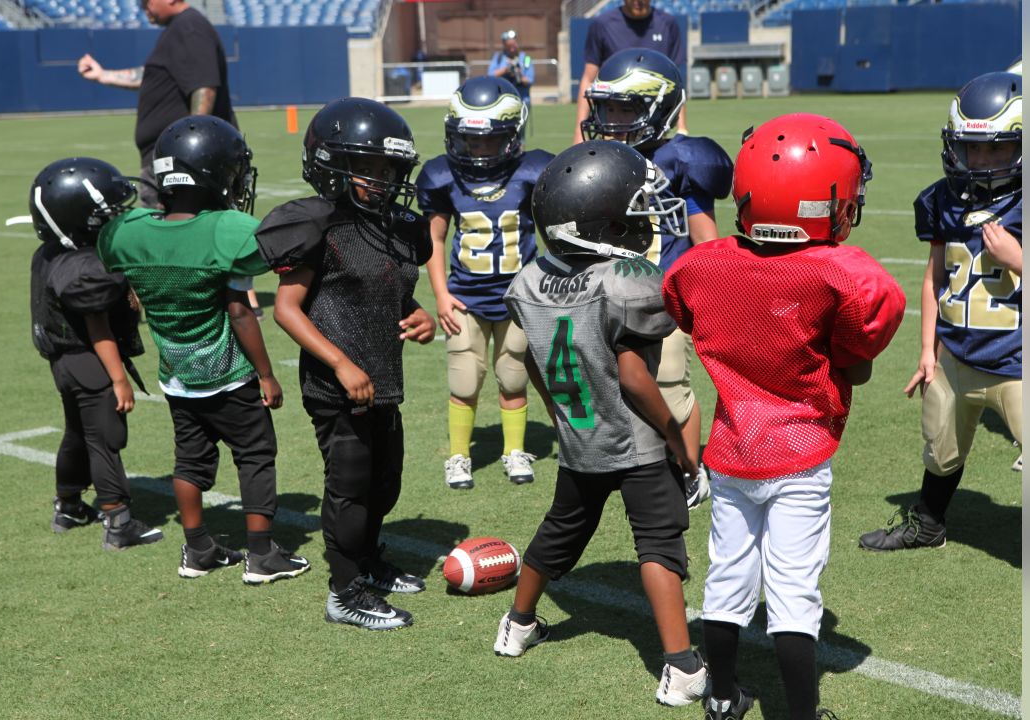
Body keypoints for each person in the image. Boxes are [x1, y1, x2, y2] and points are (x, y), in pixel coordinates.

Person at [663, 113, 903, 720]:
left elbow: (691, 306)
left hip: (732, 445)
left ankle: (721, 697)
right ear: (829, 199)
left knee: (726, 578)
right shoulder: (840, 274)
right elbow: (864, 343)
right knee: (794, 591)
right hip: (798, 450)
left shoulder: (702, 265)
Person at [494, 141, 708, 708]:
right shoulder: (624, 281)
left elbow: (536, 369)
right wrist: (674, 439)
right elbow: (636, 377)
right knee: (660, 546)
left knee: (559, 533)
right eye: (631, 210)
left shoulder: (530, 280)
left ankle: (517, 625)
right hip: (634, 438)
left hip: (579, 438)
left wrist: (563, 415)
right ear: (599, 220)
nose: (642, 219)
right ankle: (682, 666)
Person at [98, 115, 310, 585]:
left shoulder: (131, 231)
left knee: (189, 461)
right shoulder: (225, 231)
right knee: (255, 454)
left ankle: (198, 549)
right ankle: (261, 554)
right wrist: (267, 374)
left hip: (176, 374)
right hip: (227, 372)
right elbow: (238, 311)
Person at [257, 98, 437, 631]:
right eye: (367, 169)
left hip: (382, 377)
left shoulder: (394, 227)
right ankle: (345, 590)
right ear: (332, 163)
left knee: (385, 482)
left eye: (387, 170)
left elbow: (384, 291)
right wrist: (340, 364)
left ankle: (369, 562)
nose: (380, 181)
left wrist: (419, 313)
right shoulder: (319, 226)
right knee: (350, 485)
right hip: (337, 383)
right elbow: (287, 310)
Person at [858, 71, 1023, 553]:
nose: (983, 160)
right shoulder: (943, 201)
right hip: (955, 355)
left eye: (997, 148)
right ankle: (928, 524)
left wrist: (1020, 260)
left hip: (1021, 362)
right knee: (940, 448)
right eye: (974, 148)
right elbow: (934, 279)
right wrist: (927, 351)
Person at [581, 48, 734, 507]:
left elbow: (704, 238)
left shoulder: (681, 158)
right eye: (607, 107)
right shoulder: (600, 157)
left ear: (660, 107)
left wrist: (710, 293)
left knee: (670, 385)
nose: (612, 118)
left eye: (626, 108)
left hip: (662, 299)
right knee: (614, 383)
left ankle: (691, 469)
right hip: (609, 294)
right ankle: (639, 461)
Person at [414, 77, 554, 490]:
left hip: (517, 296)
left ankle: (514, 451)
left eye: (489, 141)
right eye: (470, 140)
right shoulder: (442, 177)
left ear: (512, 136)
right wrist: (441, 294)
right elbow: (434, 239)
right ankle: (459, 456)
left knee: (513, 377)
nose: (478, 149)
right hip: (465, 296)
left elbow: (549, 235)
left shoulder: (531, 171)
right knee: (464, 380)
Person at [27, 157, 164, 551]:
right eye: (108, 211)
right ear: (82, 217)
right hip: (91, 361)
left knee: (76, 433)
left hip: (64, 362)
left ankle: (68, 506)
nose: (118, 215)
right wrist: (119, 377)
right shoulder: (86, 266)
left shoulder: (51, 253)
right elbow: (98, 326)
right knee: (106, 438)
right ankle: (118, 521)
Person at [75, 0, 236, 211]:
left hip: (180, 160)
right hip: (173, 158)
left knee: (172, 232)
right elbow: (152, 76)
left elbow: (204, 86)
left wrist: (191, 156)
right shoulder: (180, 28)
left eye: (146, 2)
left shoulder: (190, 27)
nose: (144, 9)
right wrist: (103, 75)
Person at [574, 0, 687, 144]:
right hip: (614, 117)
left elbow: (675, 84)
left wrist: (682, 127)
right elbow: (589, 79)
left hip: (654, 118)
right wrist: (578, 132)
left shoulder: (667, 23)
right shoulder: (602, 24)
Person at [488, 30, 535, 114]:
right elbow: (490, 75)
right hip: (502, 100)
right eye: (509, 46)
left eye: (514, 45)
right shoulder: (498, 57)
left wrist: (519, 75)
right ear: (504, 46)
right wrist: (505, 70)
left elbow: (530, 80)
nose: (512, 49)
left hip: (522, 99)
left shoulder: (526, 58)